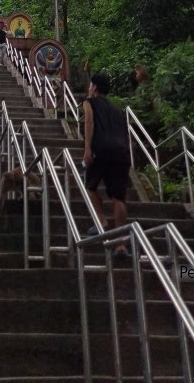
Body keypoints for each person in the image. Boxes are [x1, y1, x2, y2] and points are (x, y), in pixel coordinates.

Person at [83, 73, 130, 257]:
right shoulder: (116, 108)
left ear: (94, 87)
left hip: (101, 149)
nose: (89, 88)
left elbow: (89, 121)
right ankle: (120, 245)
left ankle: (101, 220)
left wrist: (87, 148)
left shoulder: (89, 102)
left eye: (90, 85)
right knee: (118, 197)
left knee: (90, 186)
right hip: (121, 152)